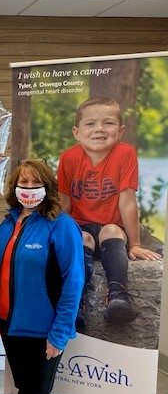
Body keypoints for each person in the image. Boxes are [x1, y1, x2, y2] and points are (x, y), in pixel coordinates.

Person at [0, 159, 84, 394]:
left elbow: (74, 281)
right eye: (23, 183)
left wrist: (59, 333)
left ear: (48, 187)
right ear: (14, 187)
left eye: (35, 183)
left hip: (42, 330)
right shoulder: (8, 223)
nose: (28, 189)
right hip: (9, 324)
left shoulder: (62, 225)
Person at [57, 97, 161, 327]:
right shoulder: (69, 158)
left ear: (121, 131)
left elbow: (127, 202)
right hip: (81, 229)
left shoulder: (125, 153)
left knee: (112, 230)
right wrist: (57, 238)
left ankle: (118, 296)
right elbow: (64, 204)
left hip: (110, 233)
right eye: (90, 123)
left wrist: (134, 244)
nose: (99, 129)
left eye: (108, 123)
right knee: (80, 236)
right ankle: (76, 303)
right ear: (77, 132)